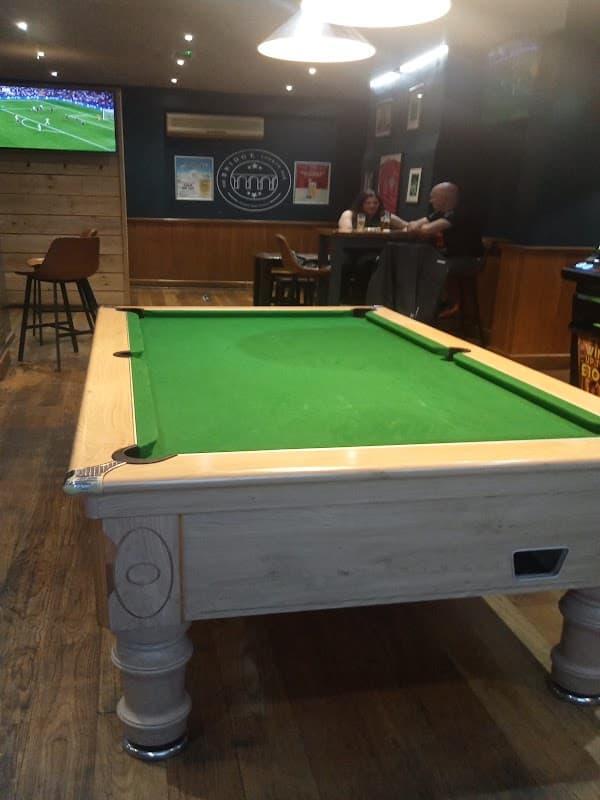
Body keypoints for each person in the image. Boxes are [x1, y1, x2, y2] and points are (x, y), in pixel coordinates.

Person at [337, 190, 404, 302]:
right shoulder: (350, 214)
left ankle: (361, 300)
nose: (372, 206)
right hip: (351, 250)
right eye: (368, 203)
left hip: (372, 251)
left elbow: (406, 226)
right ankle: (341, 298)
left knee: (364, 265)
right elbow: (345, 229)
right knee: (344, 264)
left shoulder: (385, 216)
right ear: (361, 204)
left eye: (375, 203)